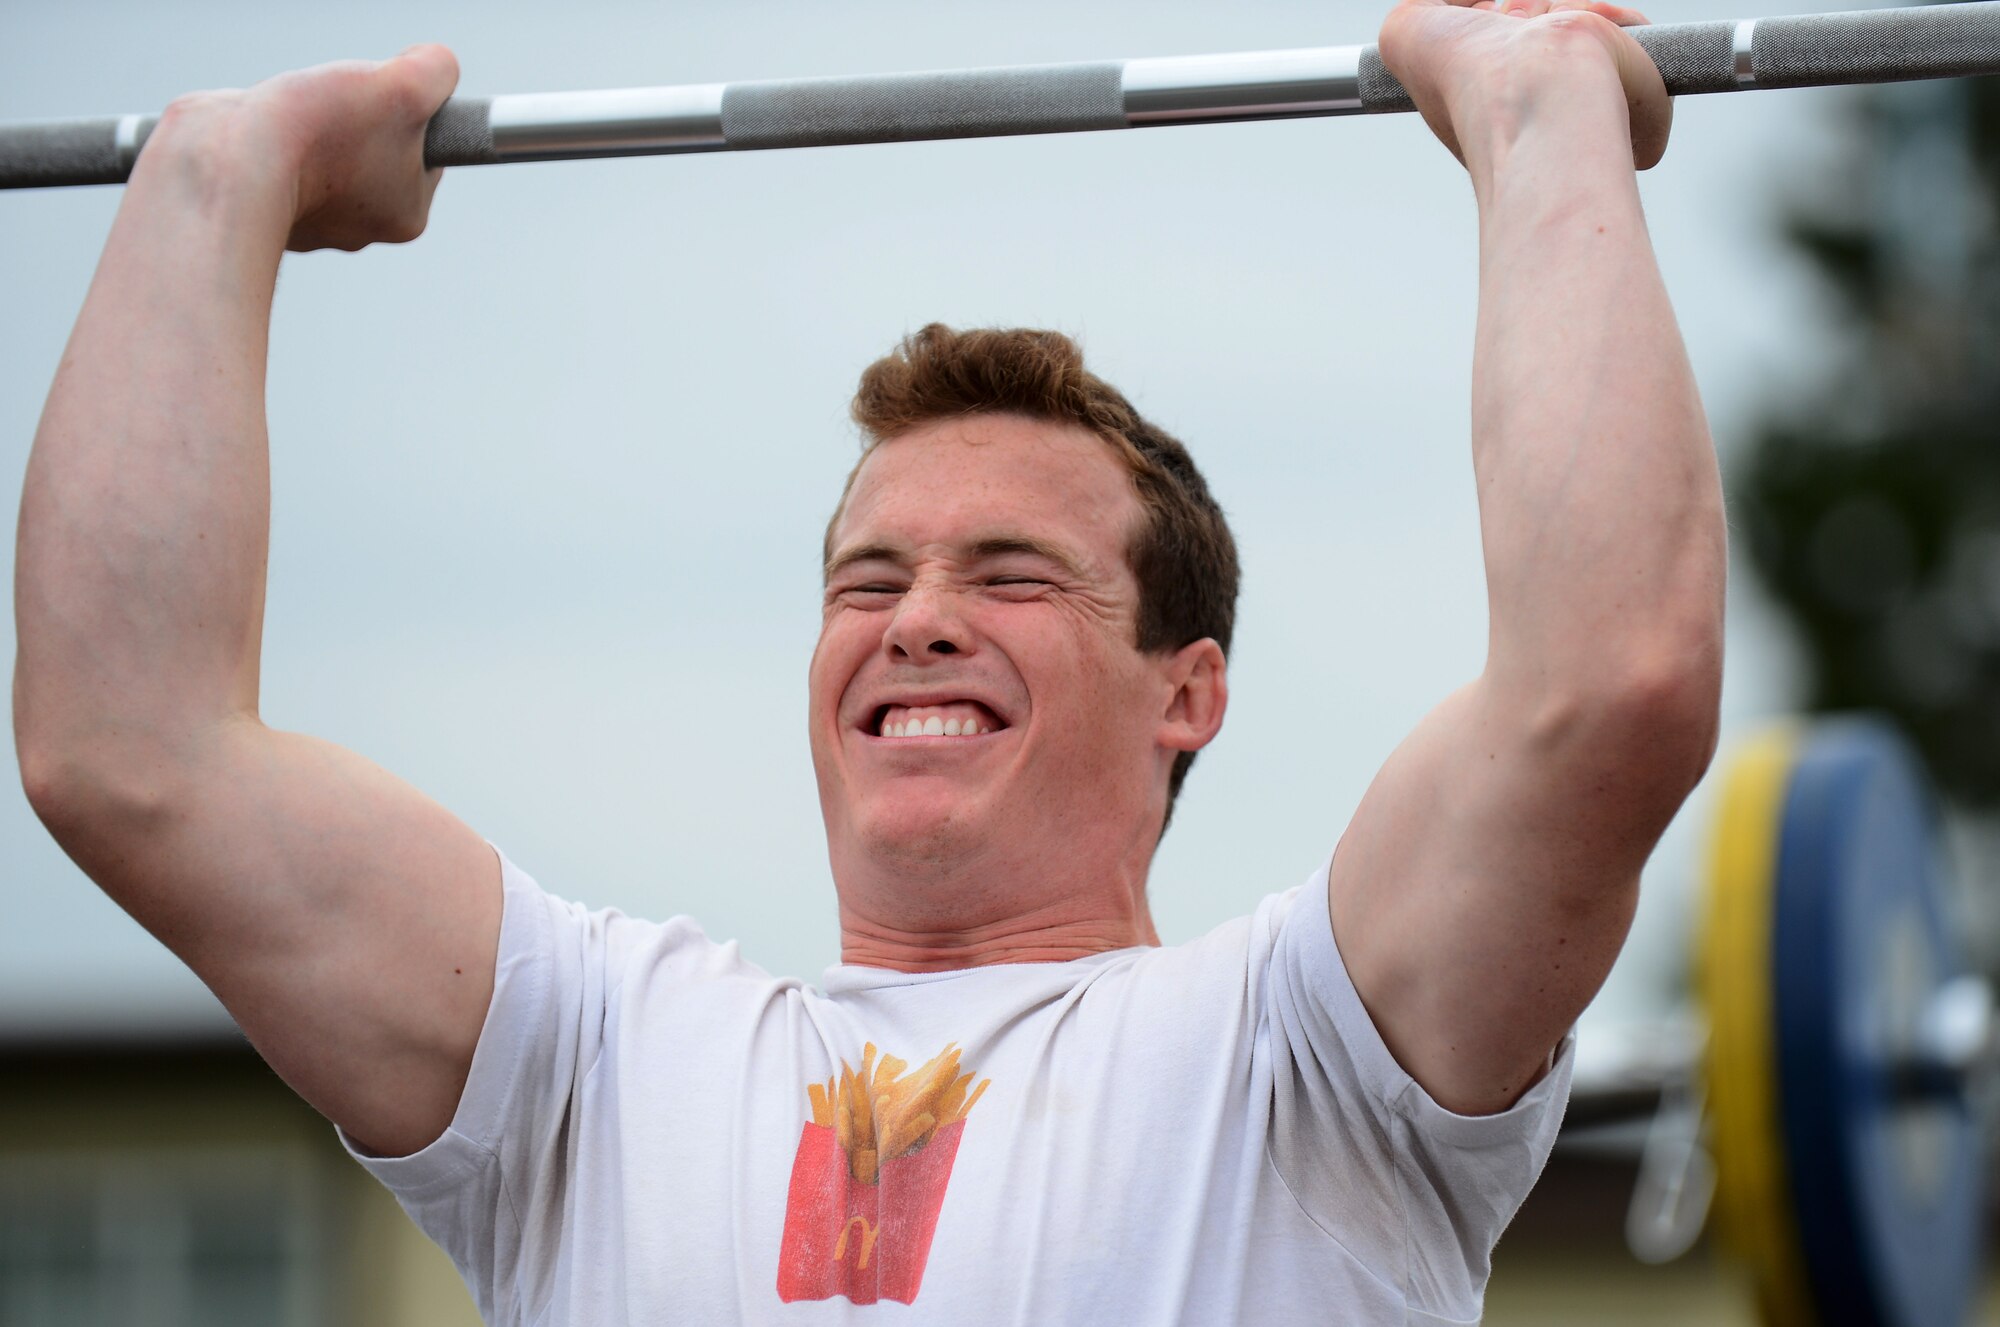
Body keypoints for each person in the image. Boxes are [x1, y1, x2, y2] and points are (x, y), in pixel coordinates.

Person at [12, 0, 1723, 1319]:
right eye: (869, 577)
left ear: (1187, 689)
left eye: (1011, 573)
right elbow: (128, 751)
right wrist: (216, 184)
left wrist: (1536, 119)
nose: (915, 618)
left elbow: (1611, 683)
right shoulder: (585, 1061)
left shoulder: (1308, 1064)